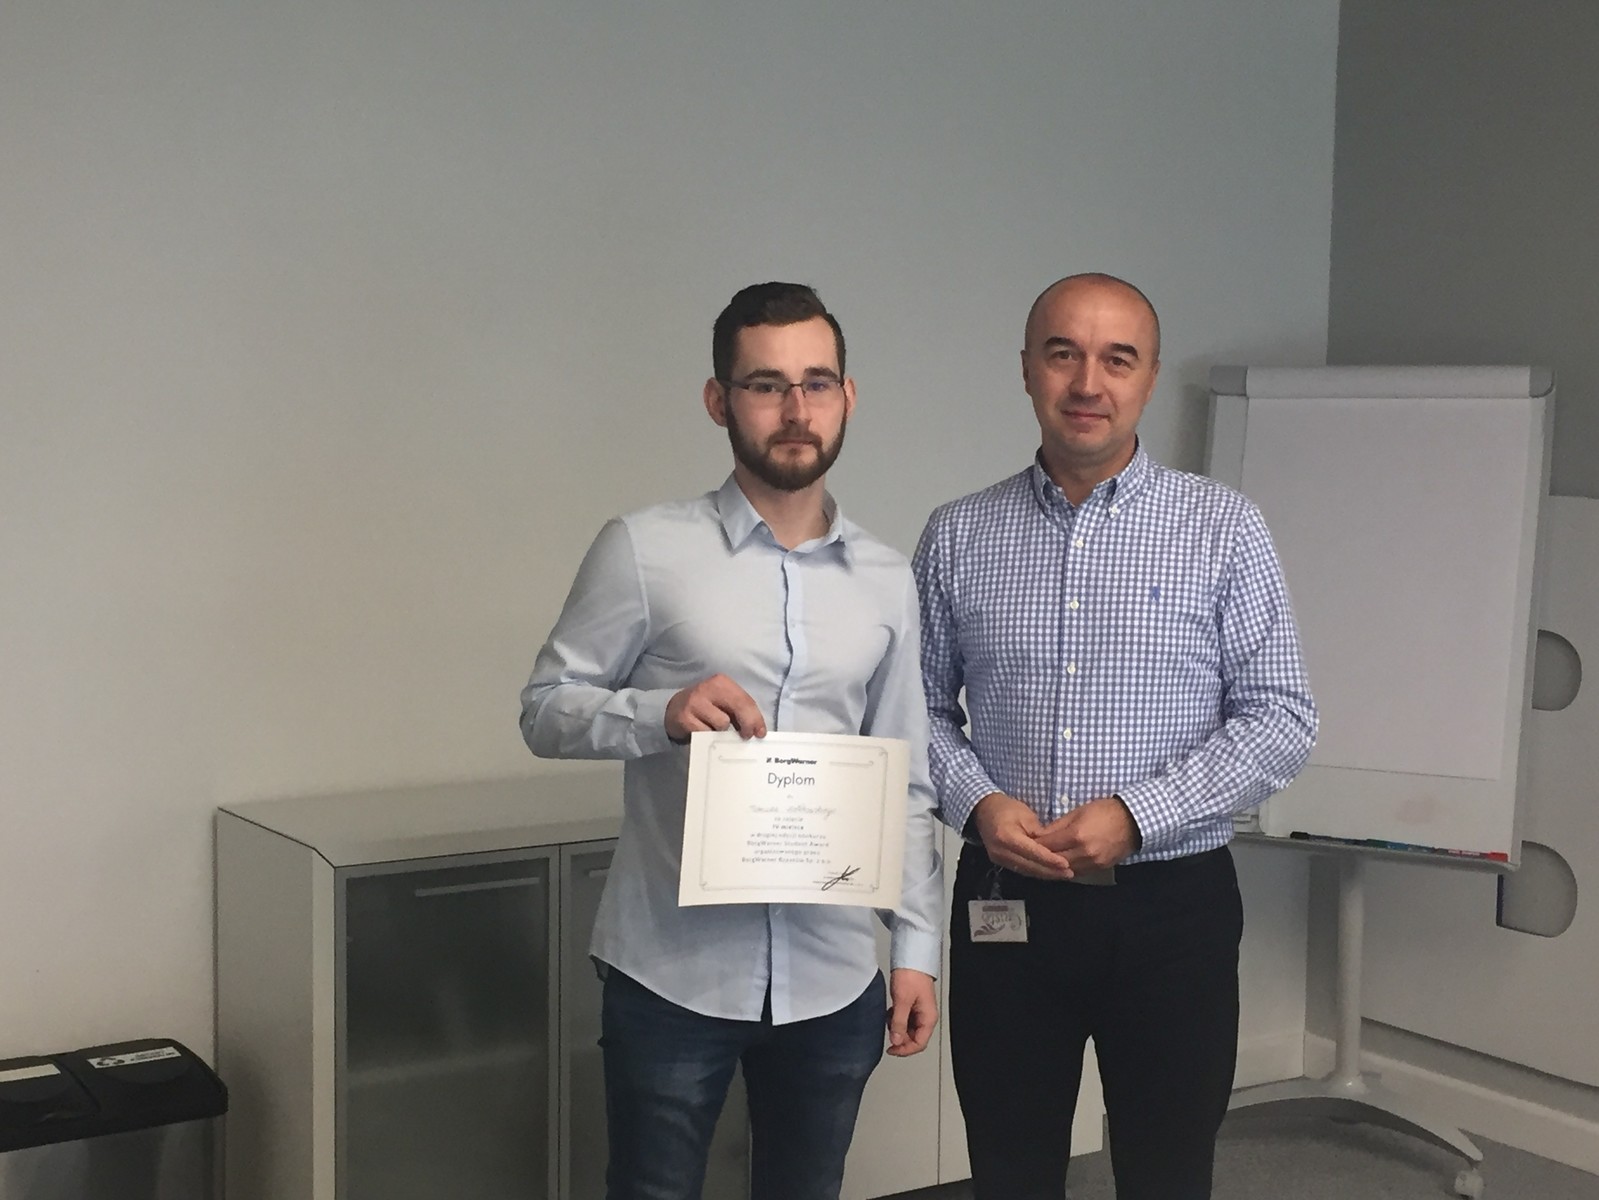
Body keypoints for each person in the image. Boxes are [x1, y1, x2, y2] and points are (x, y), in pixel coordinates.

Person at [521, 281, 942, 1200]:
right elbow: (544, 709)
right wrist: (658, 712)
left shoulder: (886, 579)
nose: (795, 409)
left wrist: (915, 948)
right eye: (764, 385)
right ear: (719, 401)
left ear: (846, 397)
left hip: (832, 976)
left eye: (816, 383)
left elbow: (905, 778)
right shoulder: (643, 549)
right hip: (672, 972)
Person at [912, 272, 1317, 1200]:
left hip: (1171, 909)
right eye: (1062, 354)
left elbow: (1280, 717)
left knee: (1166, 1169)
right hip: (1006, 899)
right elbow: (915, 713)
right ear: (1026, 370)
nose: (1087, 382)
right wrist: (977, 803)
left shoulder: (1222, 529)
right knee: (1009, 1166)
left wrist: (1137, 815)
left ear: (1148, 377)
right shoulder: (958, 535)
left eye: (1116, 359)